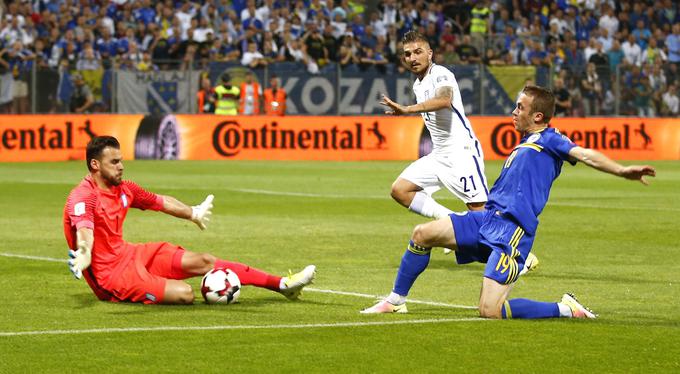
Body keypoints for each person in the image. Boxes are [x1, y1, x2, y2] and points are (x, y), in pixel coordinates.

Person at [361, 85, 656, 318]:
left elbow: (586, 154)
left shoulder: (551, 140)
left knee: (490, 311)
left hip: (511, 232)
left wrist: (621, 170)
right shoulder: (526, 142)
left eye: (520, 107)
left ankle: (565, 308)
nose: (513, 112)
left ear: (537, 116)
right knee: (421, 234)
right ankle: (396, 301)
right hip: (487, 219)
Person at [65, 136, 316, 305]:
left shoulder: (125, 188)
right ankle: (154, 286)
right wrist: (85, 252)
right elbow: (84, 229)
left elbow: (159, 201)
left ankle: (282, 285)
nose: (121, 167)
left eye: (121, 160)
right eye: (115, 162)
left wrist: (192, 213)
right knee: (185, 294)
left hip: (131, 254)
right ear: (95, 164)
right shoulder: (83, 196)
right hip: (112, 276)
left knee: (205, 260)